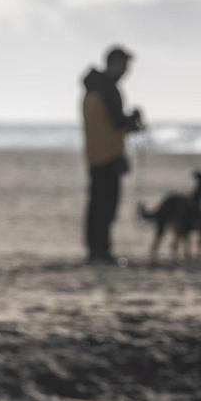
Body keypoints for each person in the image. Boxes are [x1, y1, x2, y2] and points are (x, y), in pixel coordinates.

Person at [81, 45, 145, 264]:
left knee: (96, 205)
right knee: (106, 206)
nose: (127, 70)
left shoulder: (93, 87)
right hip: (108, 155)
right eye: (125, 65)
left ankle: (95, 250)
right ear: (115, 64)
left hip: (94, 153)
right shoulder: (108, 89)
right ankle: (101, 251)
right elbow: (116, 121)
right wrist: (133, 120)